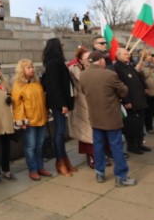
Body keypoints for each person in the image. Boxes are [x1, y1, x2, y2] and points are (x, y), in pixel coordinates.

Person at [79, 51, 136, 187]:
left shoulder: (83, 75)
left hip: (95, 116)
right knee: (116, 146)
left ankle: (100, 173)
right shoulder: (110, 75)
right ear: (102, 61)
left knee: (98, 145)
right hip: (110, 116)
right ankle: (121, 176)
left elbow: (83, 91)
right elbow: (124, 91)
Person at [41, 38, 78, 175]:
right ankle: (60, 162)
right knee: (59, 132)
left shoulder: (57, 63)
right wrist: (62, 104)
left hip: (61, 103)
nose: (62, 47)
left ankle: (64, 160)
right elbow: (54, 87)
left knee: (61, 132)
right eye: (60, 45)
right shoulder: (53, 64)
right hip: (58, 104)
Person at [12, 58, 51, 181]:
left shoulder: (36, 83)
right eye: (28, 67)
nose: (32, 69)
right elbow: (17, 105)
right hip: (29, 122)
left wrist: (45, 114)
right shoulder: (18, 85)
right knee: (30, 146)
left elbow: (42, 101)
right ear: (22, 70)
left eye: (32, 67)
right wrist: (21, 121)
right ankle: (32, 170)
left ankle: (40, 167)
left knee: (39, 146)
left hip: (41, 119)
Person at [68, 48, 101, 169]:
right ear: (80, 60)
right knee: (87, 132)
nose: (89, 61)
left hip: (94, 102)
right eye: (87, 59)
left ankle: (100, 155)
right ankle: (91, 156)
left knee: (97, 130)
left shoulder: (93, 68)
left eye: (90, 58)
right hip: (81, 103)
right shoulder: (73, 70)